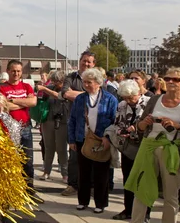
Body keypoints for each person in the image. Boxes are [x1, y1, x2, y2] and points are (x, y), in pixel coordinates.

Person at [127, 67, 180, 223]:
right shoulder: (155, 100)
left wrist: (177, 126)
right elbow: (139, 127)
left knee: (170, 195)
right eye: (167, 78)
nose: (170, 82)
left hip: (172, 152)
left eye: (175, 79)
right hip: (148, 147)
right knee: (141, 189)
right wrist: (144, 123)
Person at [68, 68, 117, 214]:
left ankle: (100, 203)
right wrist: (71, 140)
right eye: (84, 82)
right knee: (84, 172)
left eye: (89, 82)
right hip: (82, 139)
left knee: (101, 173)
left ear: (98, 83)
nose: (86, 85)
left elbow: (114, 121)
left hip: (102, 140)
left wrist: (108, 137)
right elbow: (73, 120)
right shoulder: (80, 98)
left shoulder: (110, 99)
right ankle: (83, 201)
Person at [108, 79, 152, 221]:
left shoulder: (149, 102)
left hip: (145, 147)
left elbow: (152, 124)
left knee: (144, 180)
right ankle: (128, 209)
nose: (129, 100)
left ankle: (145, 213)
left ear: (138, 93)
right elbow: (116, 123)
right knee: (128, 179)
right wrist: (122, 131)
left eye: (131, 97)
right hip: (128, 148)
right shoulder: (122, 105)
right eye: (125, 98)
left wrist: (135, 129)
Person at [0, 59, 43, 203]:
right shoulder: (2, 88)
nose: (16, 73)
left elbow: (33, 102)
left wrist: (14, 101)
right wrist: (23, 102)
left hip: (25, 127)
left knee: (28, 162)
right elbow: (4, 107)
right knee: (10, 162)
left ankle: (29, 191)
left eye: (19, 71)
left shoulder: (26, 86)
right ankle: (10, 192)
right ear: (8, 71)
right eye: (13, 71)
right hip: (9, 129)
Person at [60, 50, 97, 196]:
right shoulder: (71, 77)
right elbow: (65, 93)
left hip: (93, 123)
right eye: (84, 60)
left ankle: (93, 185)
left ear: (94, 64)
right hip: (75, 121)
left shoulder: (98, 78)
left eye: (89, 61)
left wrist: (75, 94)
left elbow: (99, 95)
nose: (86, 63)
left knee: (94, 154)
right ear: (79, 61)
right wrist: (90, 95)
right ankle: (73, 185)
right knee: (74, 155)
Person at [36, 70, 69, 183]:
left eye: (57, 81)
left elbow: (59, 96)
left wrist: (45, 89)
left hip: (62, 120)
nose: (55, 83)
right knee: (48, 146)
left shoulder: (66, 89)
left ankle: (65, 173)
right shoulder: (49, 87)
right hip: (48, 120)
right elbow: (41, 98)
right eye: (53, 81)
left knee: (61, 148)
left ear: (63, 81)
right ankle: (46, 171)